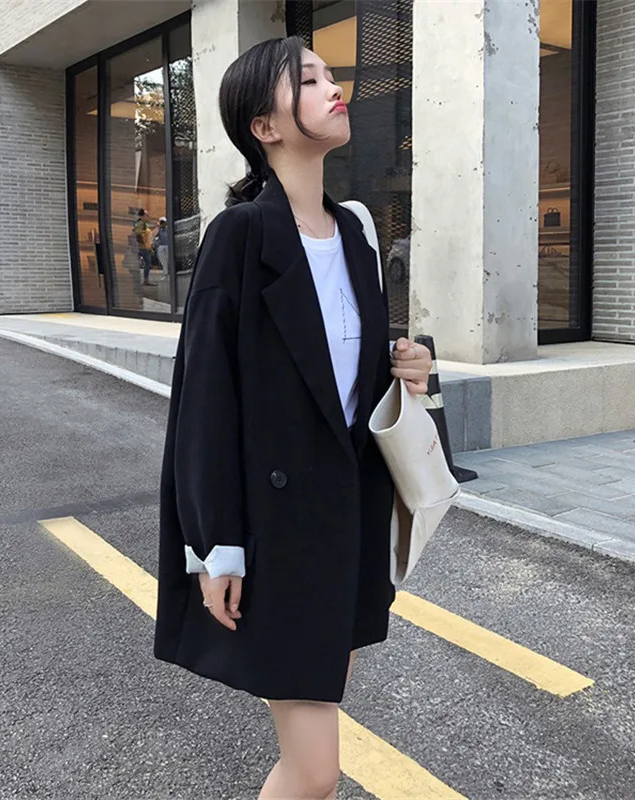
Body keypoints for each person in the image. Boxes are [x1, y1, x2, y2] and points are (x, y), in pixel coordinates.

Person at [154, 37, 433, 799]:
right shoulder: (241, 234)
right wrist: (216, 545)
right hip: (276, 533)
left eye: (329, 75)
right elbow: (206, 398)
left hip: (346, 520)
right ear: (265, 126)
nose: (333, 86)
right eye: (307, 80)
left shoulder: (357, 233)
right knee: (315, 772)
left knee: (313, 761)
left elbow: (344, 371)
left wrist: (411, 364)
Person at [134, 208, 155, 285]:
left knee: (144, 263)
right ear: (143, 216)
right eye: (147, 215)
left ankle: (143, 280)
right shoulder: (141, 223)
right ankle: (145, 280)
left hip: (142, 246)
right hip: (143, 247)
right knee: (147, 263)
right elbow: (138, 232)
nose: (148, 217)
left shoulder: (141, 223)